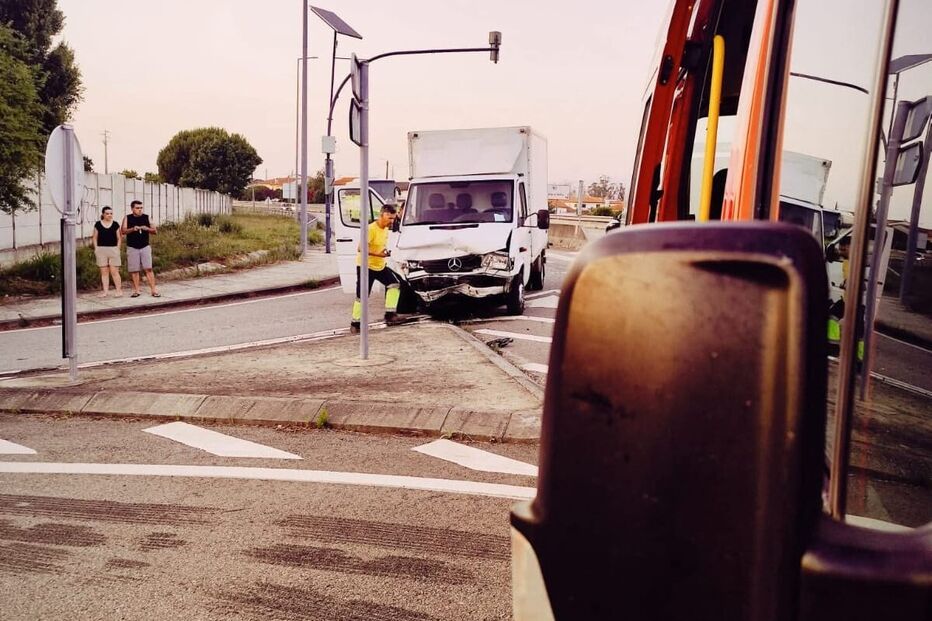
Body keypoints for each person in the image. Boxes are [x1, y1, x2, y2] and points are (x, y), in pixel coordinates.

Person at [351, 204, 402, 333]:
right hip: (366, 266)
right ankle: (355, 323)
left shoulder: (385, 229)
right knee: (362, 295)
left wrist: (385, 252)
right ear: (381, 215)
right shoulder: (371, 229)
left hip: (379, 266)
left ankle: (390, 314)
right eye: (389, 218)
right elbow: (361, 248)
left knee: (394, 284)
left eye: (393, 218)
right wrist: (378, 253)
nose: (391, 221)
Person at [121, 200, 160, 297]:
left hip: (145, 246)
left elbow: (155, 231)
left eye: (141, 208)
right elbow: (123, 230)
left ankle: (153, 290)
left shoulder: (146, 217)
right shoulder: (127, 217)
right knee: (134, 270)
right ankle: (136, 290)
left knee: (149, 269)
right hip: (132, 247)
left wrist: (147, 229)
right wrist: (132, 229)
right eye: (137, 208)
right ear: (132, 209)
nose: (139, 210)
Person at [92, 206, 123, 297]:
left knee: (114, 271)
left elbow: (119, 238)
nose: (109, 215)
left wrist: (118, 249)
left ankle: (119, 291)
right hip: (101, 250)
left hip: (113, 249)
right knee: (104, 272)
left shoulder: (115, 224)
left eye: (111, 213)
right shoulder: (98, 224)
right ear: (103, 214)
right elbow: (94, 237)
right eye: (107, 213)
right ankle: (105, 292)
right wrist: (96, 248)